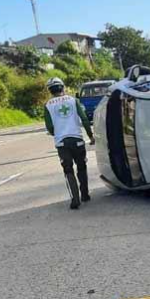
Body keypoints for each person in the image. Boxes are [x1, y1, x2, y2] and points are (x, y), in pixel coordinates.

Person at [44, 77, 94, 210]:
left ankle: (75, 198)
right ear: (63, 87)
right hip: (77, 140)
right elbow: (84, 118)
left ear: (50, 90)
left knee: (68, 169)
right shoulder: (73, 100)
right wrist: (90, 136)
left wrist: (58, 133)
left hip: (62, 143)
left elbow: (49, 126)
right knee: (82, 166)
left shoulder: (48, 105)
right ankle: (85, 194)